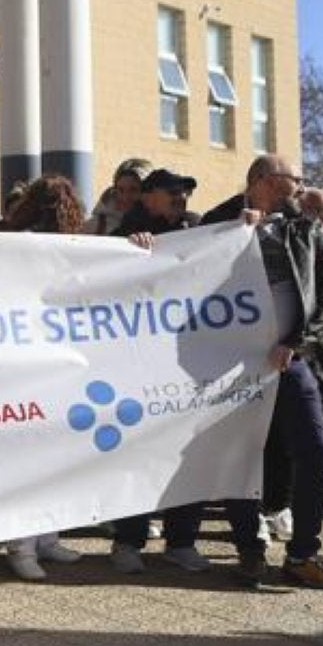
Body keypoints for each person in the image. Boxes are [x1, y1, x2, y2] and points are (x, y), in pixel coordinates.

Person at [200, 155, 323, 588]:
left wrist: (299, 343)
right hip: (233, 364)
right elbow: (181, 278)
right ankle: (249, 550)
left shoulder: (306, 227)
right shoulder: (218, 223)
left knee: (317, 454)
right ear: (261, 182)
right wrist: (238, 237)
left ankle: (302, 555)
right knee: (242, 456)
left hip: (291, 360)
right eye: (289, 181)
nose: (298, 187)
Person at [107, 168, 214, 574]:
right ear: (149, 197)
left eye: (185, 191)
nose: (182, 197)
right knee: (140, 453)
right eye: (173, 192)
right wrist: (131, 251)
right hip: (139, 363)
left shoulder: (197, 228)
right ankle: (128, 539)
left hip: (187, 363)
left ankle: (182, 540)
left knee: (188, 452)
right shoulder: (127, 233)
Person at [0, 176, 89, 579]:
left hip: (58, 357)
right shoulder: (8, 240)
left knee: (56, 452)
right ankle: (21, 545)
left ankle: (47, 537)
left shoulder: (74, 247)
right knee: (28, 455)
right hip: (21, 359)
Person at [83, 158, 152, 235]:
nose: (125, 197)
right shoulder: (94, 226)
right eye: (120, 190)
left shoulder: (162, 223)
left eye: (134, 190)